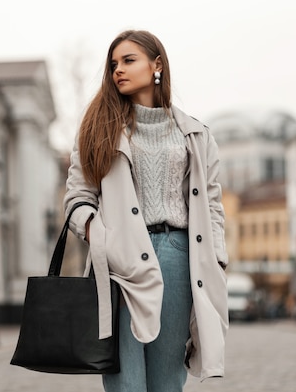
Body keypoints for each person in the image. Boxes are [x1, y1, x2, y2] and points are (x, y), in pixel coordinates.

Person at [63, 30, 228, 392]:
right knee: (124, 377)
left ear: (157, 65)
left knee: (167, 377)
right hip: (120, 261)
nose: (118, 70)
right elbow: (77, 197)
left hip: (177, 256)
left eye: (128, 60)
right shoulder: (96, 130)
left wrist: (217, 256)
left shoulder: (196, 135)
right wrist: (101, 238)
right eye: (113, 64)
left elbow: (212, 206)